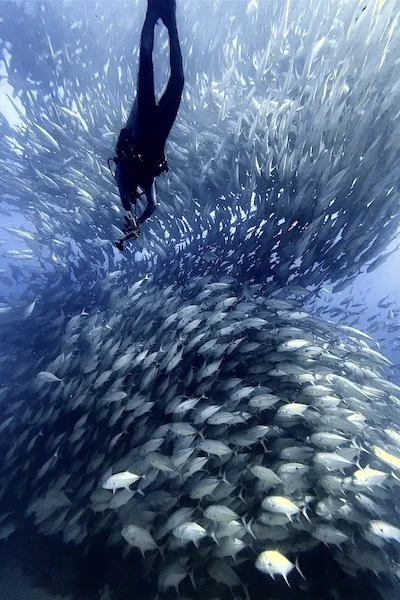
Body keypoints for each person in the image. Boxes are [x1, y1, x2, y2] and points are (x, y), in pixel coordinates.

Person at [112, 0, 184, 251]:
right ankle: (171, 22)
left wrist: (131, 217)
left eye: (135, 197)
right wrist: (139, 224)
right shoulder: (146, 182)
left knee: (146, 68)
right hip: (160, 129)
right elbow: (153, 206)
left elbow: (125, 200)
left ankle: (153, 13)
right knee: (179, 80)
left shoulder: (124, 177)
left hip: (143, 125)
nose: (136, 196)